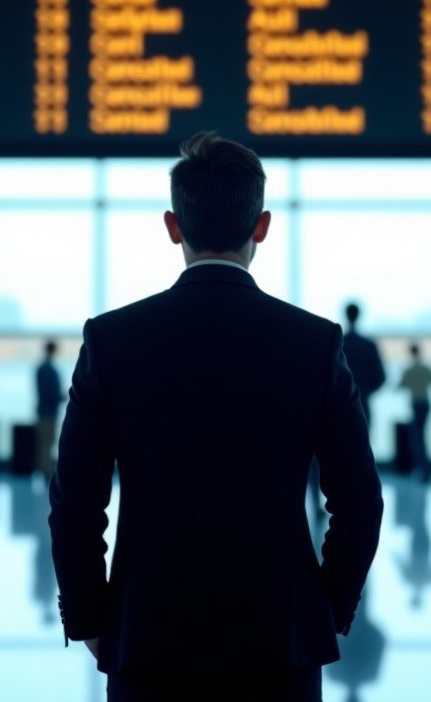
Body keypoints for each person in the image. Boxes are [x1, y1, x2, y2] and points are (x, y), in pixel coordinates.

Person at [49, 132, 384, 702]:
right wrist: (324, 610)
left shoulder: (112, 340)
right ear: (262, 226)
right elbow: (360, 501)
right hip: (282, 644)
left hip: (147, 642)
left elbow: (76, 503)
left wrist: (90, 619)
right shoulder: (314, 343)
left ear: (173, 226)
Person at [342, 302, 387, 426]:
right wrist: (365, 391)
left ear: (346, 315)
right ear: (359, 316)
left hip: (338, 405)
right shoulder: (368, 345)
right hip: (363, 402)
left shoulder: (338, 344)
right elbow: (381, 377)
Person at [398, 341, 431, 481]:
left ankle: (422, 468)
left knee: (417, 438)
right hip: (426, 403)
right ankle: (425, 469)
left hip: (416, 404)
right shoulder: (425, 368)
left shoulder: (409, 370)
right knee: (422, 436)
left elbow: (400, 385)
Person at [35, 340, 64, 480]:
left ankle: (45, 470)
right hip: (48, 410)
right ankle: (47, 472)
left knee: (46, 443)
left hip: (46, 409)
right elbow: (48, 391)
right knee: (48, 443)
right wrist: (61, 396)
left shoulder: (43, 367)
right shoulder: (48, 369)